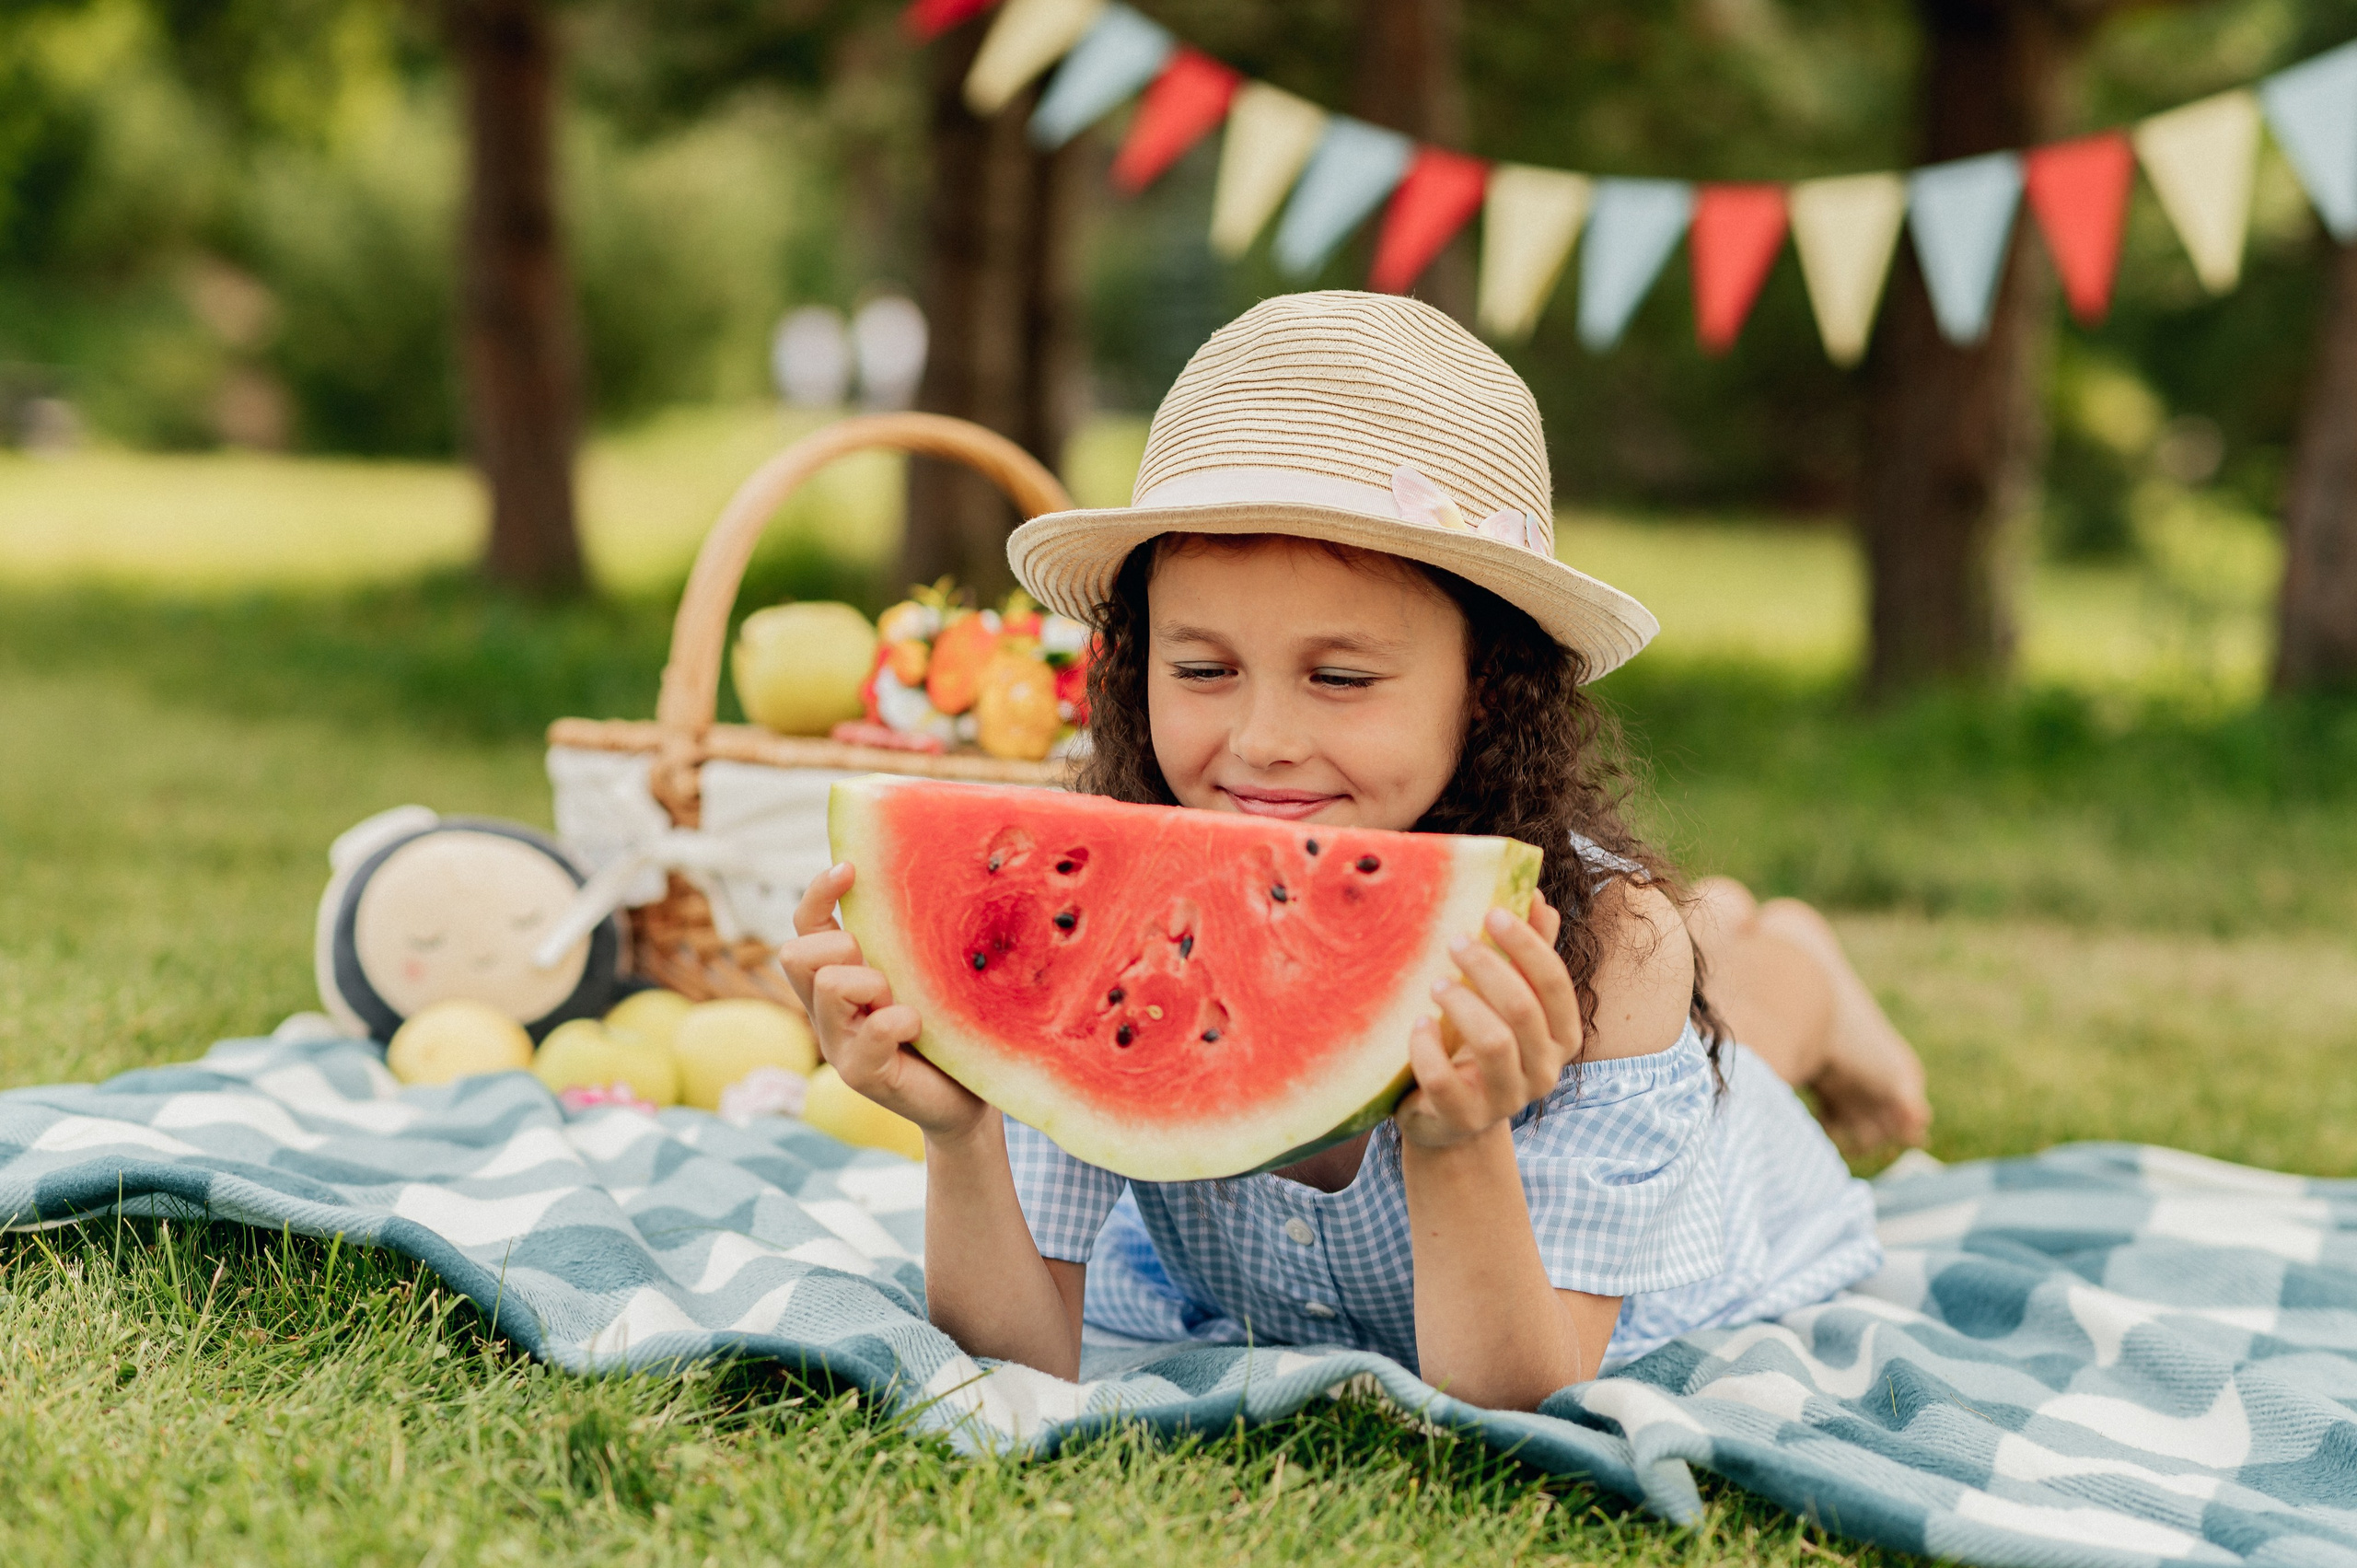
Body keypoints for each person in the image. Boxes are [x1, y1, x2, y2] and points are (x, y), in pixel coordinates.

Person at [781, 292, 1926, 1410]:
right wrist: (960, 1125)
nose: (1263, 742)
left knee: (1738, 1039)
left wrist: (1460, 1140)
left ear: (1486, 685)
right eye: (1200, 669)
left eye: (1340, 677)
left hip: (1702, 1195)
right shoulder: (1109, 913)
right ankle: (1751, 935)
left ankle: (1799, 972)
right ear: (1135, 669)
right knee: (1709, 960)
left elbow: (1526, 1396)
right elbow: (1014, 1361)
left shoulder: (1609, 948)